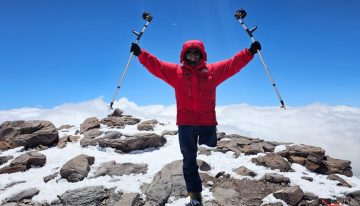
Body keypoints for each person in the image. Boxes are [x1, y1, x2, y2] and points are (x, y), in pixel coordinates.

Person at [130, 40, 261, 206]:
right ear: (184, 55)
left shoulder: (212, 71)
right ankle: (195, 195)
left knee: (213, 157)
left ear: (201, 55)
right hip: (186, 124)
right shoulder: (176, 72)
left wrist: (248, 53)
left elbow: (232, 65)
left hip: (208, 123)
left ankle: (220, 184)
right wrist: (141, 54)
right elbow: (157, 65)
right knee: (189, 160)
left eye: (196, 53)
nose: (193, 56)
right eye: (189, 53)